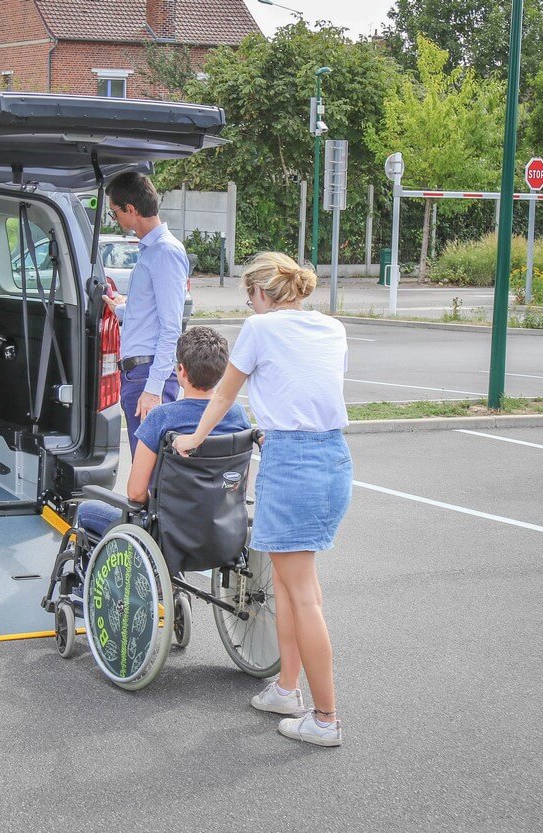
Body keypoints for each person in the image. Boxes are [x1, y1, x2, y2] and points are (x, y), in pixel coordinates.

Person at [172, 252, 351, 748]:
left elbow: (224, 396)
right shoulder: (332, 329)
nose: (248, 306)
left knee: (305, 596)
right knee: (295, 589)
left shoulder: (260, 329)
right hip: (334, 458)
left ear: (261, 293)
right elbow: (311, 390)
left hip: (292, 465)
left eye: (248, 296)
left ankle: (326, 717)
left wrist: (192, 439)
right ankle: (287, 690)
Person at [76, 326, 250, 539]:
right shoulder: (238, 416)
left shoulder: (161, 418)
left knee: (85, 511)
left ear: (181, 370)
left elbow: (136, 493)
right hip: (223, 529)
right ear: (222, 371)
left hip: (170, 532)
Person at [102, 172, 190, 457]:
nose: (114, 219)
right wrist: (121, 309)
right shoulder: (152, 252)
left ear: (132, 209)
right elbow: (150, 312)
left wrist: (153, 388)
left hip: (147, 374)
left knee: (150, 470)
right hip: (138, 373)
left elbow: (170, 327)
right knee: (145, 466)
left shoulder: (165, 253)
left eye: (114, 213)